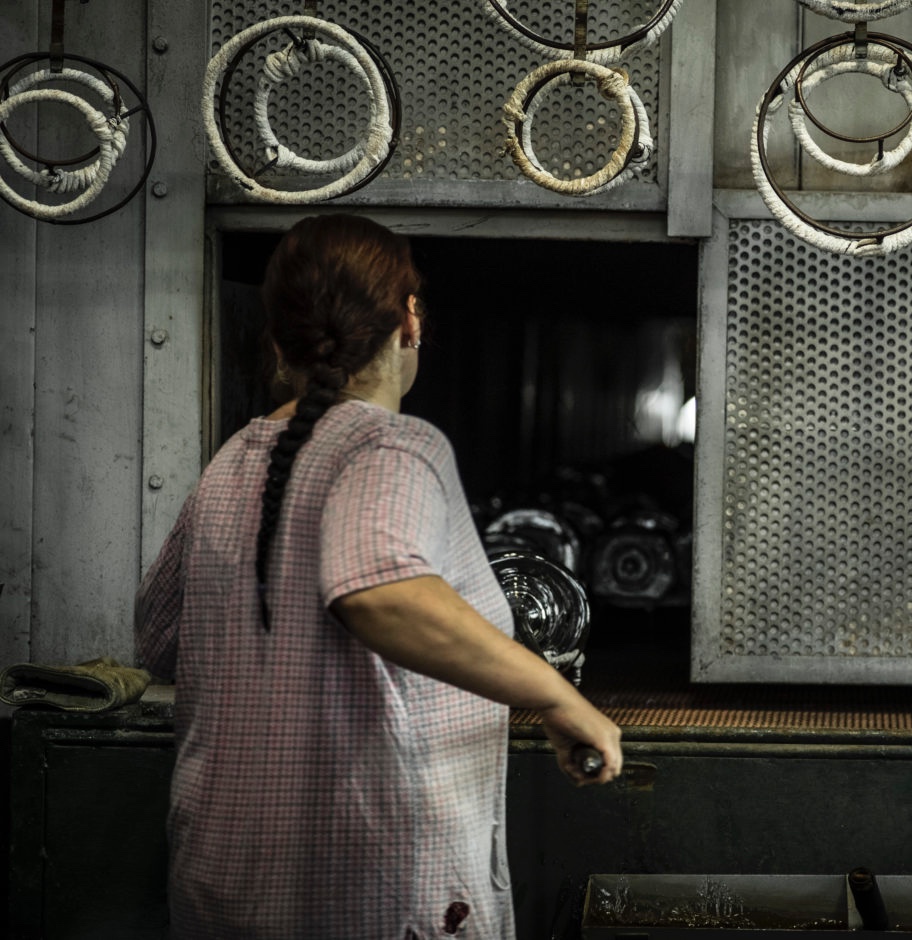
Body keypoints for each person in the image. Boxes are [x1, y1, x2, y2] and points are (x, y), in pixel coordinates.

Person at [135, 214, 622, 939]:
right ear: (411, 320)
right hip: (371, 889)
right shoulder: (394, 448)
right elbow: (378, 592)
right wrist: (556, 696)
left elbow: (160, 640)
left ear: (278, 342)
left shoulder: (234, 461)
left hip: (226, 888)